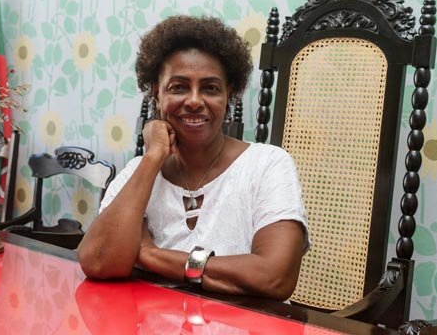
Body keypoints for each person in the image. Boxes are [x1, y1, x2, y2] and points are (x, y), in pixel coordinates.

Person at [77, 15, 308, 301]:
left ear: (228, 94)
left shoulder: (268, 164)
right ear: (157, 94)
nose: (195, 101)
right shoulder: (139, 171)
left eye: (210, 88)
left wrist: (149, 253)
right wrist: (153, 158)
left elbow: (275, 278)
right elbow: (98, 262)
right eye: (179, 87)